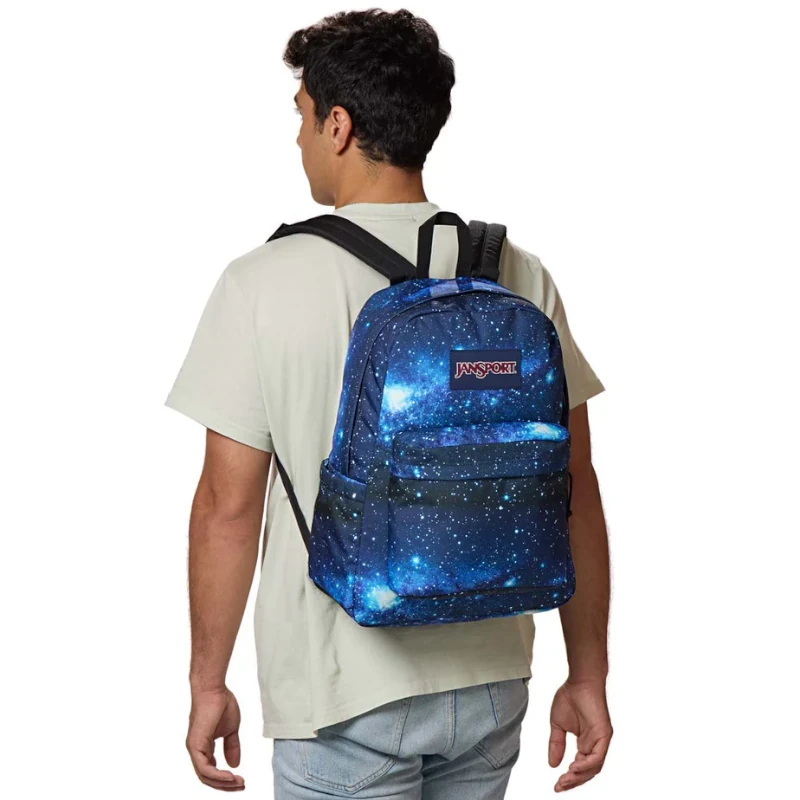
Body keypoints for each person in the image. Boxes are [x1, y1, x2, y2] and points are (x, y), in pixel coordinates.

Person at [165, 8, 612, 798]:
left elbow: (226, 510)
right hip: (492, 683)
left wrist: (207, 682)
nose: (298, 138)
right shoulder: (518, 272)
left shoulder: (260, 283)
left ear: (338, 126)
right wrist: (588, 673)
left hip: (340, 698)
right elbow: (574, 490)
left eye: (302, 116)